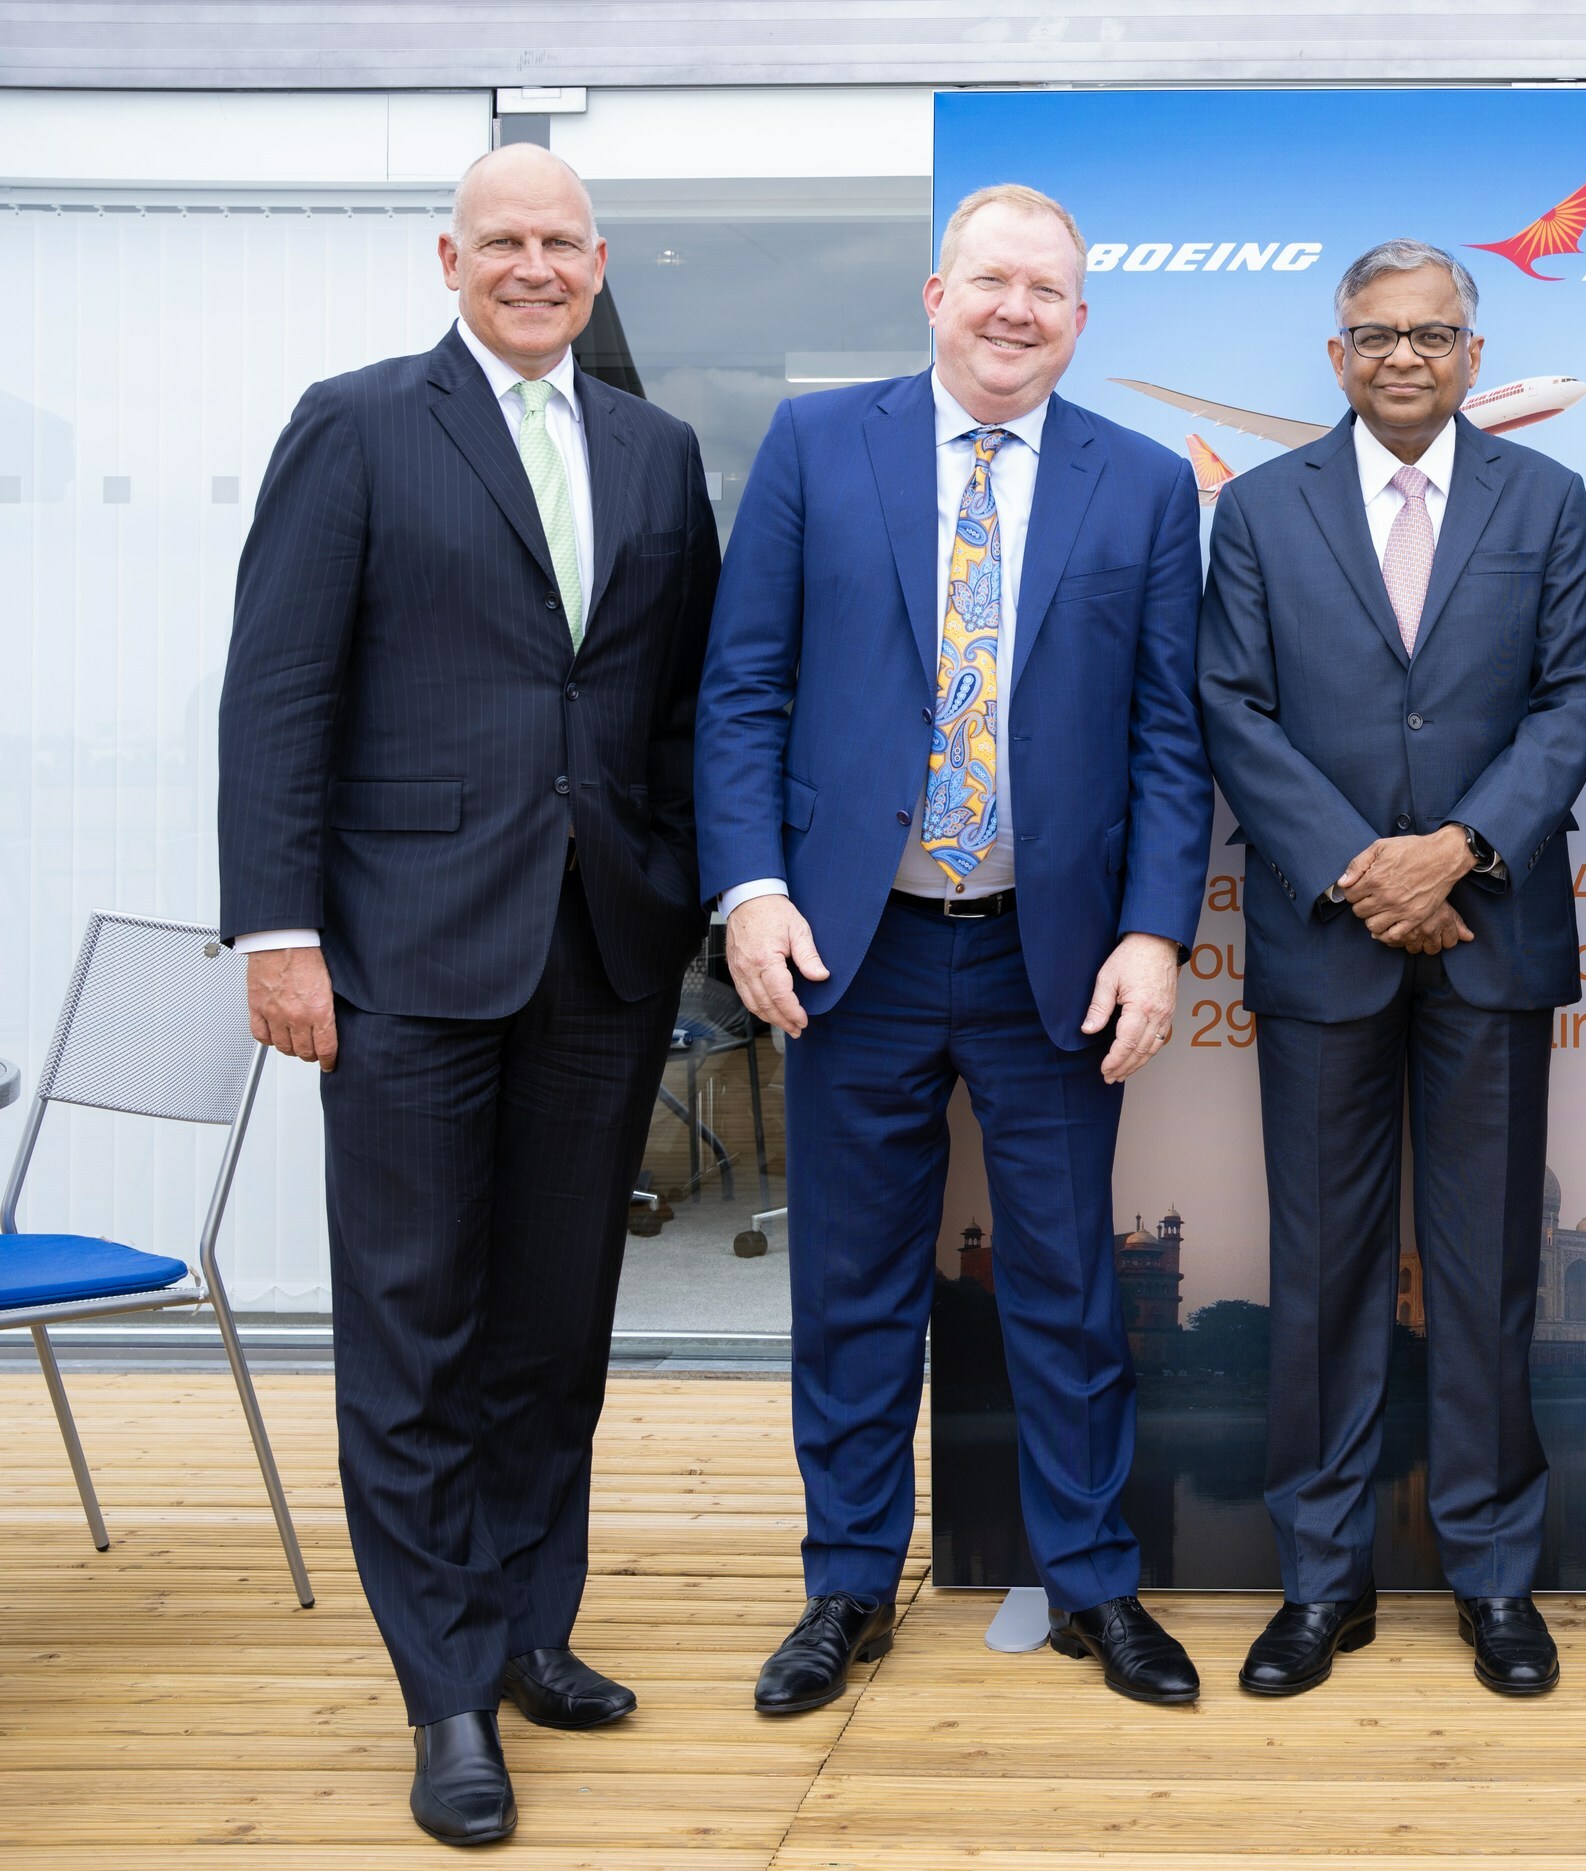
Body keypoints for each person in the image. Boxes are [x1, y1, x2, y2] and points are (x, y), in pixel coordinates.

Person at [217, 144, 720, 1847]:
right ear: (450, 260)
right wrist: (277, 931)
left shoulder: (655, 449)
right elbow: (277, 693)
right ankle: (443, 1692)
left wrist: (687, 890)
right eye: (501, 240)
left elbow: (673, 704)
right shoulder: (358, 424)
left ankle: (525, 1629)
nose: (533, 266)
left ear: (600, 262)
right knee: (415, 1329)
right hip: (402, 953)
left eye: (560, 242)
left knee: (553, 1324)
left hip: (600, 951)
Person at [695, 184, 1213, 1713]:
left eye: (1046, 291)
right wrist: (751, 889)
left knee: (1066, 1288)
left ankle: (1094, 1584)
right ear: (936, 294)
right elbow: (743, 688)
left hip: (1050, 954)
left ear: (1080, 319)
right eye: (991, 280)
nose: (1014, 310)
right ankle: (847, 1587)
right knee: (853, 1288)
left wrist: (1154, 932)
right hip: (852, 950)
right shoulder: (814, 445)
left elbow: (1169, 735)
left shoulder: (1142, 485)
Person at [1198, 240, 1586, 1699]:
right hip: (1327, 940)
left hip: (1490, 933)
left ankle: (1495, 1575)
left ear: (1473, 355)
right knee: (1324, 1273)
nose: (1404, 357)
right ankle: (1322, 1583)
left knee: (1490, 1273)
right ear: (1337, 356)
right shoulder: (1260, 509)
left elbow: (1572, 699)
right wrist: (1364, 868)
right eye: (1376, 335)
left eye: (1433, 334)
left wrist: (1458, 852)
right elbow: (1233, 706)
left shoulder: (1545, 499)